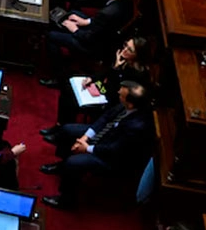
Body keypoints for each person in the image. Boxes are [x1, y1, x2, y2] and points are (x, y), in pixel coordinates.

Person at [41, 81, 153, 209]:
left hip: (113, 159)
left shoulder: (137, 126)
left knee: (74, 162)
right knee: (67, 130)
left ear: (131, 103)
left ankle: (66, 200)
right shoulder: (126, 105)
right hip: (105, 138)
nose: (117, 93)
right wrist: (85, 137)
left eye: (121, 94)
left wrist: (86, 148)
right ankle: (62, 165)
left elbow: (115, 150)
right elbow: (105, 118)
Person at [43, 0, 134, 86]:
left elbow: (90, 38)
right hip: (103, 34)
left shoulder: (108, 13)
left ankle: (59, 76)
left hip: (93, 45)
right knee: (73, 14)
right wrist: (86, 21)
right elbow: (102, 23)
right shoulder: (126, 1)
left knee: (51, 36)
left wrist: (75, 30)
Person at [45, 36, 150, 130]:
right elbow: (105, 72)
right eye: (125, 45)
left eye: (129, 50)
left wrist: (115, 69)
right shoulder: (122, 57)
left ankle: (63, 129)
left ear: (137, 55)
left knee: (72, 100)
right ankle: (60, 125)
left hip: (109, 100)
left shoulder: (137, 75)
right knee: (67, 87)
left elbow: (114, 92)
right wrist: (92, 78)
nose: (124, 50)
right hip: (103, 88)